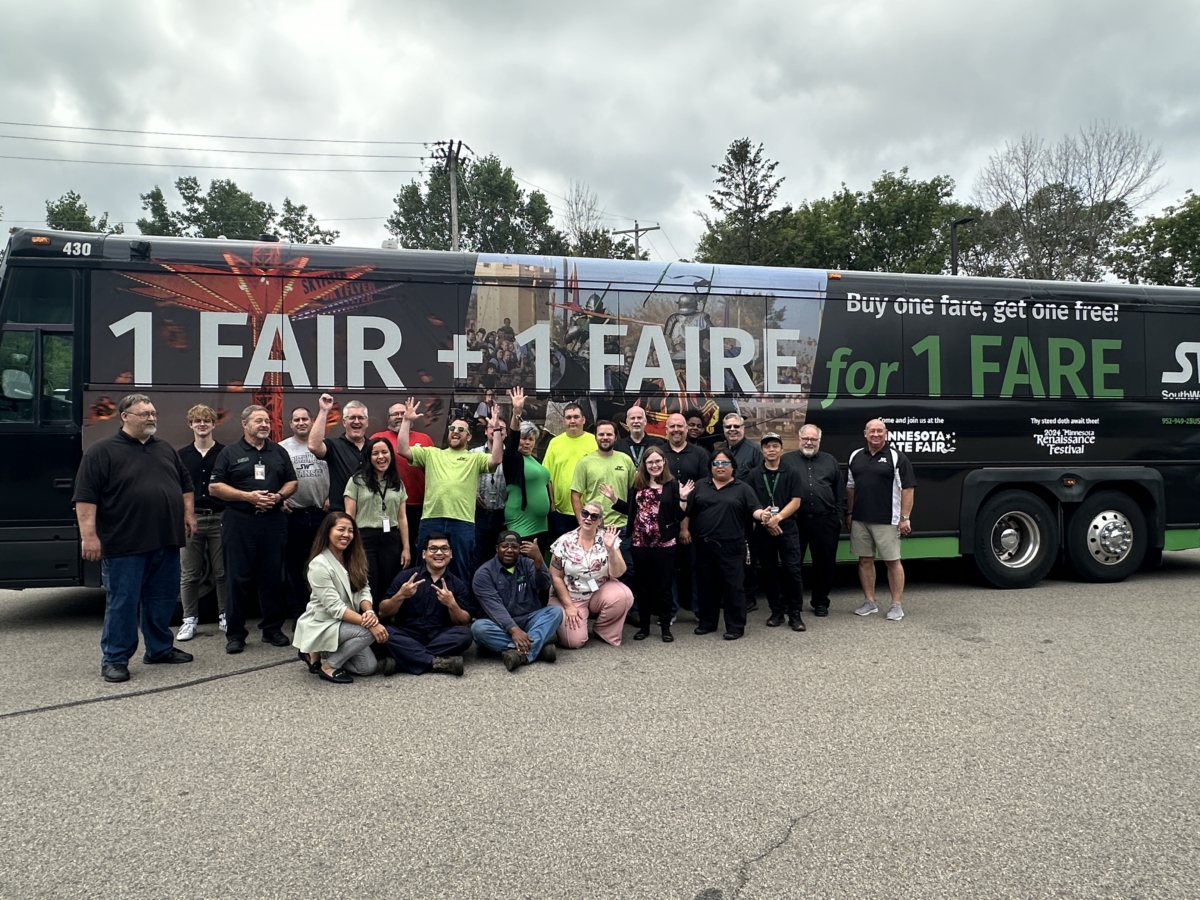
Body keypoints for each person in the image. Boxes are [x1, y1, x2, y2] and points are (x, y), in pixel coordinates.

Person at [73, 393, 196, 683]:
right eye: (144, 414)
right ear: (125, 417)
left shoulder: (164, 448)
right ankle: (115, 659)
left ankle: (159, 649)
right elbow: (85, 498)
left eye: (153, 413)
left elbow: (185, 485)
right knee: (123, 603)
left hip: (166, 540)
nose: (151, 418)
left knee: (162, 600)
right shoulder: (101, 451)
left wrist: (188, 515)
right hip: (124, 544)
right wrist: (88, 537)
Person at [209, 405, 298, 654]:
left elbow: (292, 482)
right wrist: (248, 497)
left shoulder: (278, 451)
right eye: (258, 420)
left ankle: (272, 630)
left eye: (267, 420)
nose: (264, 425)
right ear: (245, 424)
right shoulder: (230, 452)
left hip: (272, 521)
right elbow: (214, 487)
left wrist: (279, 496)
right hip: (240, 522)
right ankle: (235, 634)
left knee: (272, 577)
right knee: (237, 579)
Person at [395, 398, 503, 585]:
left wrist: (497, 429)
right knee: (424, 569)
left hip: (462, 522)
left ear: (469, 437)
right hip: (431, 519)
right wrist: (406, 420)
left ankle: (459, 603)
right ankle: (424, 602)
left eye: (461, 430)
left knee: (460, 569)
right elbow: (402, 449)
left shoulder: (475, 458)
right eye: (452, 428)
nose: (456, 432)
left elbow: (496, 459)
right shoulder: (432, 453)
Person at [293, 512, 393, 683]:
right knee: (368, 632)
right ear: (327, 532)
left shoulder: (353, 558)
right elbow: (336, 608)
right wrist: (372, 624)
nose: (346, 534)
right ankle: (328, 666)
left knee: (367, 668)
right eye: (341, 529)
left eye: (350, 530)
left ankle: (319, 652)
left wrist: (369, 612)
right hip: (324, 623)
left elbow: (364, 590)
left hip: (346, 623)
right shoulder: (319, 564)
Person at [682, 448, 770, 641]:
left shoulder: (743, 488)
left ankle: (735, 626)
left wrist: (762, 515)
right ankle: (707, 623)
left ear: (733, 466)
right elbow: (688, 512)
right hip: (704, 545)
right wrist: (684, 530)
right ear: (710, 467)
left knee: (733, 587)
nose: (720, 467)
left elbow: (755, 509)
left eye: (724, 463)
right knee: (706, 585)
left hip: (731, 546)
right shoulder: (700, 485)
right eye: (716, 463)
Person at [605, 447, 685, 642]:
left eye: (657, 461)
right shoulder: (638, 484)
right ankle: (644, 627)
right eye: (650, 462)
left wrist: (683, 498)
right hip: (640, 543)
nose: (654, 465)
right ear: (644, 465)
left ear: (664, 462)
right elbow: (631, 511)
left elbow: (678, 515)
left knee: (664, 587)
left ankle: (665, 627)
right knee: (643, 587)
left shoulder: (672, 485)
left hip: (664, 543)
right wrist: (614, 499)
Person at [847, 419, 916, 621]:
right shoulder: (855, 456)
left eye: (880, 431)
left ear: (886, 433)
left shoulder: (896, 457)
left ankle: (896, 605)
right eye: (872, 431)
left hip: (887, 519)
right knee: (865, 561)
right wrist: (849, 513)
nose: (876, 434)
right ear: (865, 433)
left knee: (892, 562)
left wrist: (904, 517)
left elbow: (908, 488)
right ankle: (870, 602)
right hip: (860, 519)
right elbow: (850, 487)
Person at [378, 533, 474, 676]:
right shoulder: (406, 577)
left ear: (451, 554)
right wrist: (400, 595)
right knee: (385, 632)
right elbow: (383, 612)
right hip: (407, 633)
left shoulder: (457, 584)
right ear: (424, 554)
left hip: (439, 636)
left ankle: (403, 660)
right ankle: (435, 662)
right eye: (433, 548)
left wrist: (452, 604)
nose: (439, 553)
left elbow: (463, 621)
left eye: (444, 549)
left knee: (465, 635)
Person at [471, 531, 561, 671]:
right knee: (478, 628)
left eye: (514, 547)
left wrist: (539, 560)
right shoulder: (484, 574)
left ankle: (520, 652)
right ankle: (537, 649)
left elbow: (544, 585)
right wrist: (515, 631)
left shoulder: (527, 564)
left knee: (555, 612)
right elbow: (495, 609)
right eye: (504, 546)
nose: (509, 550)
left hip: (528, 620)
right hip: (499, 626)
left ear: (520, 549)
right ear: (497, 548)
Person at [782, 424, 845, 617]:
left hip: (825, 520)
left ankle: (820, 602)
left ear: (819, 441)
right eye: (806, 438)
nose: (809, 442)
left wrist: (839, 517)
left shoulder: (830, 461)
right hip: (795, 521)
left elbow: (840, 491)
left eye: (813, 439)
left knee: (824, 564)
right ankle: (791, 602)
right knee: (792, 563)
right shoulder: (787, 460)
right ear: (799, 439)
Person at [549, 503, 633, 648]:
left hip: (597, 590)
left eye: (594, 516)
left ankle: (603, 629)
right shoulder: (564, 541)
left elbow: (618, 573)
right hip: (571, 595)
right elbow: (555, 576)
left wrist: (610, 550)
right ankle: (569, 617)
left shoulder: (608, 538)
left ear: (600, 521)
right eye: (585, 513)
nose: (588, 518)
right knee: (574, 642)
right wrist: (569, 606)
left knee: (624, 595)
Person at [745, 433, 806, 631]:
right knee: (769, 572)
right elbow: (751, 503)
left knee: (792, 571)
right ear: (762, 450)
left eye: (775, 446)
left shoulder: (792, 472)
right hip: (763, 530)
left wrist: (778, 518)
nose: (771, 450)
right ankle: (776, 611)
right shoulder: (754, 474)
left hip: (787, 528)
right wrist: (766, 521)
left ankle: (795, 613)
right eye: (767, 446)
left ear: (781, 449)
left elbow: (796, 501)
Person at [176, 404, 226, 641]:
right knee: (189, 574)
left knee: (223, 572)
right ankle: (189, 620)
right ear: (191, 425)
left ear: (214, 424)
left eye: (206, 420)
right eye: (197, 421)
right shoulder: (181, 456)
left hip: (220, 517)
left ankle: (225, 615)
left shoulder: (225, 453)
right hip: (191, 519)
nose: (202, 424)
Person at [570, 419, 636, 595]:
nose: (605, 437)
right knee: (595, 570)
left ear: (615, 437)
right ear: (596, 437)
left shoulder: (625, 460)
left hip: (621, 527)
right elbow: (575, 494)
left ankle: (628, 607)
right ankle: (597, 604)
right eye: (601, 434)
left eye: (609, 434)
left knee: (627, 569)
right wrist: (582, 523)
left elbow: (634, 490)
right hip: (595, 527)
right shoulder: (585, 462)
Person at [344, 437, 409, 608]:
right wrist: (349, 543)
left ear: (391, 455)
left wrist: (406, 548)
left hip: (391, 538)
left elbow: (402, 518)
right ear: (368, 457)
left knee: (389, 580)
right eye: (375, 453)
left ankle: (386, 619)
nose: (381, 457)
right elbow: (349, 515)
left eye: (384, 452)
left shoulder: (397, 483)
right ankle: (368, 618)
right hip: (364, 538)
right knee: (368, 582)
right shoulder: (356, 481)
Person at [281, 406, 330, 621]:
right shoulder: (281, 449)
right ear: (290, 424)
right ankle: (299, 613)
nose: (301, 423)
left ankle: (323, 610)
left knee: (324, 565)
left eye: (304, 419)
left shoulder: (324, 446)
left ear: (312, 421)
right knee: (293, 566)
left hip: (322, 515)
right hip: (294, 515)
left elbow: (338, 473)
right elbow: (274, 476)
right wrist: (280, 499)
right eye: (296, 419)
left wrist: (332, 496)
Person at [371, 401, 434, 562]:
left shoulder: (424, 439)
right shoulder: (378, 439)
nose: (400, 417)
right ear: (388, 418)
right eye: (395, 414)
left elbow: (434, 470)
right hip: (388, 505)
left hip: (418, 505)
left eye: (403, 413)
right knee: (391, 551)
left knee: (416, 549)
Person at [663, 412, 708, 618]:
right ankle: (670, 610)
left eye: (680, 426)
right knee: (668, 569)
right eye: (672, 426)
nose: (676, 430)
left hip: (696, 522)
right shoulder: (659, 454)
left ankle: (699, 610)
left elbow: (704, 488)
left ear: (686, 428)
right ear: (666, 429)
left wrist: (686, 526)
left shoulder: (700, 454)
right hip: (666, 521)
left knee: (696, 567)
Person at [720, 411, 763, 612]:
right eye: (728, 427)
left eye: (736, 426)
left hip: (746, 516)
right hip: (725, 515)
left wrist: (756, 515)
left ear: (743, 428)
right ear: (724, 430)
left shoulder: (754, 451)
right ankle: (730, 594)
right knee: (727, 557)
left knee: (747, 556)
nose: (732, 430)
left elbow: (760, 485)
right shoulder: (720, 451)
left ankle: (749, 596)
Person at [503, 387, 553, 547]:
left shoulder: (535, 460)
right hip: (521, 521)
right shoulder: (513, 459)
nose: (526, 442)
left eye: (530, 439)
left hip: (541, 523)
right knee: (521, 558)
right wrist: (516, 412)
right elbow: (512, 438)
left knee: (538, 559)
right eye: (523, 438)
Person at [541, 402, 597, 539]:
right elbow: (547, 478)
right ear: (563, 421)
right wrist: (552, 508)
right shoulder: (554, 443)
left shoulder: (594, 441)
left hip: (589, 511)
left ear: (583, 419)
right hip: (561, 512)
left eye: (576, 417)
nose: (572, 421)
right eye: (568, 417)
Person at [308, 394, 368, 513]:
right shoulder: (334, 445)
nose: (356, 421)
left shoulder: (374, 448)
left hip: (368, 513)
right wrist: (324, 411)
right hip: (340, 513)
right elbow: (313, 446)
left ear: (367, 422)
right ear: (344, 422)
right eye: (352, 417)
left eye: (361, 418)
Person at [473, 416, 508, 565]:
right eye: (492, 427)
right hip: (478, 515)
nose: (496, 430)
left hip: (503, 517)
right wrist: (471, 491)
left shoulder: (511, 456)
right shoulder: (473, 453)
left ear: (505, 433)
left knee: (499, 560)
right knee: (474, 558)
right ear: (486, 431)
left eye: (500, 428)